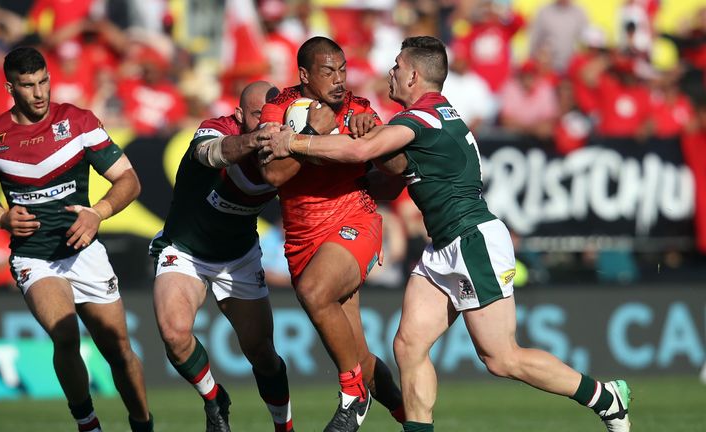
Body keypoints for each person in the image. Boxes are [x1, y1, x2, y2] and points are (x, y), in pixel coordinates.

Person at [259, 36, 632, 432]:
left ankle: (605, 397)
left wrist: (295, 140)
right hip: (443, 247)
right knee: (408, 346)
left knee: (501, 358)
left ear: (414, 75)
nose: (391, 72)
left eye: (398, 67)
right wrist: (364, 131)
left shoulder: (421, 118)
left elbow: (357, 155)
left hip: (472, 239)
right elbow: (387, 166)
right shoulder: (432, 116)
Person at [0, 47, 154, 432]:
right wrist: (1, 215)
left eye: (44, 82)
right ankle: (88, 425)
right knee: (65, 334)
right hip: (35, 256)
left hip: (84, 251)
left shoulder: (79, 122)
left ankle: (143, 424)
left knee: (118, 349)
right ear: (10, 87)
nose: (39, 93)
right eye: (28, 85)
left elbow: (129, 180)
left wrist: (97, 213)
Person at [258, 36, 405, 432]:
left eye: (342, 70)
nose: (340, 80)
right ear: (305, 75)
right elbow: (272, 174)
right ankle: (411, 418)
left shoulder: (359, 109)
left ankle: (352, 396)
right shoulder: (278, 108)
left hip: (355, 221)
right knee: (362, 358)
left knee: (314, 292)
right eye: (328, 72)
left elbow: (397, 170)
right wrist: (309, 132)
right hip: (303, 240)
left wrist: (376, 137)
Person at [149, 80, 294, 432]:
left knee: (263, 355)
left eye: (274, 116)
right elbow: (209, 153)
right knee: (174, 334)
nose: (267, 123)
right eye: (259, 115)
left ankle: (284, 427)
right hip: (185, 250)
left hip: (238, 256)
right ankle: (214, 398)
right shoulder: (216, 128)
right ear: (239, 114)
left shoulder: (288, 149)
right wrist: (252, 141)